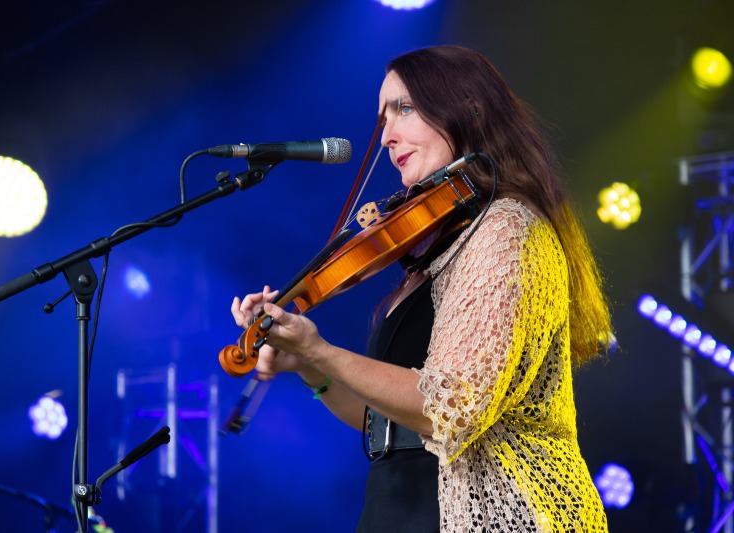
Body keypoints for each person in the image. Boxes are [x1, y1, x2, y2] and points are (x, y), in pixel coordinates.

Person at [231, 45, 613, 532]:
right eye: (382, 119)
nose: (387, 136)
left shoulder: (507, 230)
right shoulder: (435, 251)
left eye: (404, 109)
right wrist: (309, 365)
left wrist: (321, 348)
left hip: (496, 512)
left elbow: (445, 409)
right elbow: (386, 421)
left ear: (468, 111)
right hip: (398, 507)